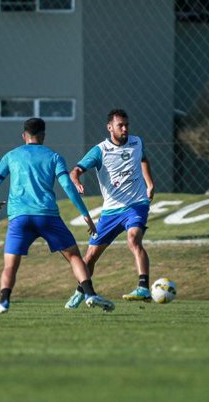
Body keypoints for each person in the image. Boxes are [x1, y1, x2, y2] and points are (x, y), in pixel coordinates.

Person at [0, 117, 114, 314]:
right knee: (73, 256)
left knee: (10, 265)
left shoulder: (11, 156)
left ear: (23, 136)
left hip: (19, 217)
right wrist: (85, 214)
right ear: (44, 136)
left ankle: (4, 302)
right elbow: (68, 187)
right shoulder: (54, 157)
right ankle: (89, 294)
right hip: (47, 216)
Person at [65, 108, 154, 309]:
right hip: (111, 211)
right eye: (120, 125)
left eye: (126, 125)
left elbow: (144, 159)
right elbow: (75, 171)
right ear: (109, 127)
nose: (125, 129)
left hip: (136, 204)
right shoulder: (100, 151)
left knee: (134, 239)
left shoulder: (136, 142)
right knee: (90, 257)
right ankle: (81, 291)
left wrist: (149, 183)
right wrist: (77, 181)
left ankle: (143, 287)